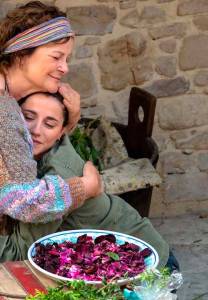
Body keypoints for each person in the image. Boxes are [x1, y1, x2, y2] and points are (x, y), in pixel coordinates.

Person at [17, 91, 174, 269]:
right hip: (96, 259)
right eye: (28, 117)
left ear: (62, 132)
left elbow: (21, 251)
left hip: (145, 262)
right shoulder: (25, 154)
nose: (36, 130)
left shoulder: (58, 175)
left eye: (49, 124)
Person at [0, 1, 102, 260]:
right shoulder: (5, 112)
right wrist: (85, 187)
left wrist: (68, 121)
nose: (65, 68)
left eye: (66, 59)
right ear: (22, 54)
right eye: (56, 57)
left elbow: (12, 160)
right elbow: (24, 201)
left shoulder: (10, 102)